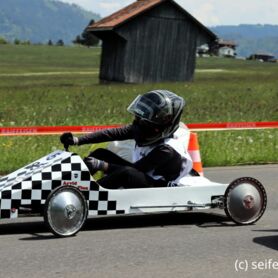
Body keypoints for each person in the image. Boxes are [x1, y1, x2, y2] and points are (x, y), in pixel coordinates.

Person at [60, 90, 193, 189]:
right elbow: (110, 134)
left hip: (159, 186)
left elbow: (137, 170)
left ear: (159, 126)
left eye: (143, 122)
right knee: (100, 153)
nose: (137, 124)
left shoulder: (167, 149)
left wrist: (102, 166)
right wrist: (77, 140)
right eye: (137, 118)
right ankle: (66, 186)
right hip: (139, 174)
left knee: (126, 173)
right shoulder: (144, 129)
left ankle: (83, 196)